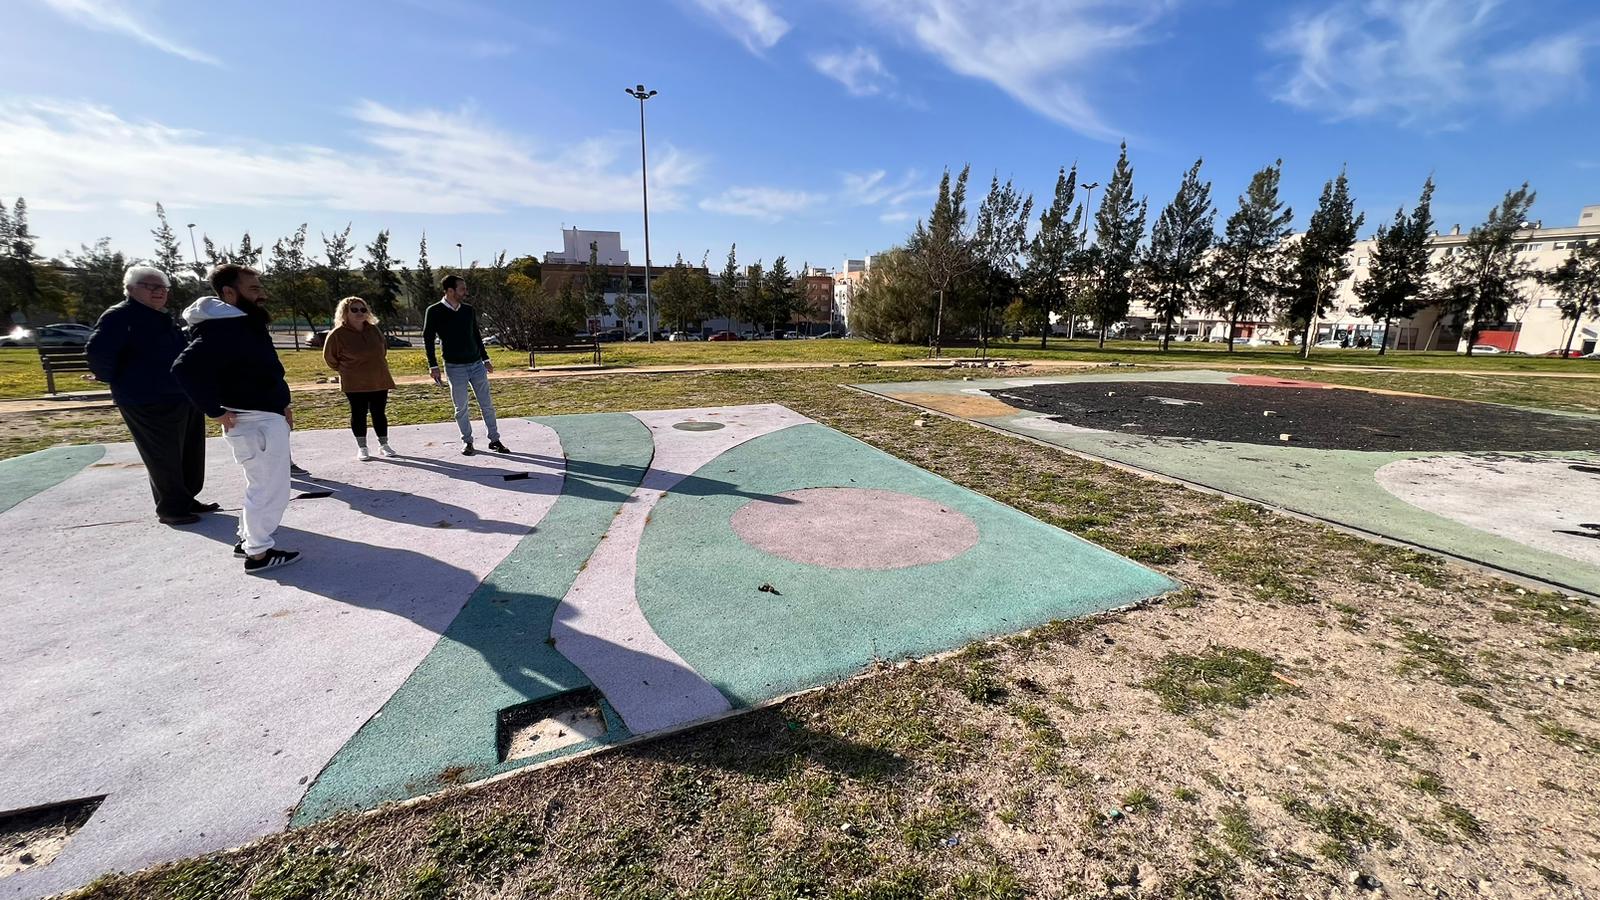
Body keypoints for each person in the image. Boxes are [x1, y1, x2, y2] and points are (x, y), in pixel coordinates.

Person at [172, 264, 300, 573]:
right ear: (229, 292)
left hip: (262, 415)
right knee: (270, 487)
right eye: (253, 289)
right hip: (253, 419)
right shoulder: (225, 328)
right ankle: (258, 553)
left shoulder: (239, 323)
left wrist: (282, 404)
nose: (261, 295)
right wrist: (214, 410)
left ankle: (248, 540)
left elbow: (262, 371)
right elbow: (183, 368)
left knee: (261, 483)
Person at [85, 265, 217, 526]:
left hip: (181, 395)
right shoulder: (120, 316)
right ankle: (171, 508)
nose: (159, 292)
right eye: (151, 286)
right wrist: (123, 381)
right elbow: (98, 354)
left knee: (188, 452)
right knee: (163, 456)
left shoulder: (160, 317)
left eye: (163, 287)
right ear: (131, 289)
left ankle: (186, 498)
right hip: (147, 399)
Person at [423, 274, 508, 456]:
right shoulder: (434, 311)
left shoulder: (468, 310)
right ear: (450, 290)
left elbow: (476, 335)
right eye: (462, 289)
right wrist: (433, 365)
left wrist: (485, 359)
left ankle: (494, 439)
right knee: (461, 407)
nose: (465, 292)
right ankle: (467, 441)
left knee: (487, 404)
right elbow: (428, 340)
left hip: (476, 364)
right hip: (455, 367)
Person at [322, 296, 397, 460]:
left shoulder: (373, 329)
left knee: (379, 412)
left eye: (363, 310)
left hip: (379, 379)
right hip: (354, 382)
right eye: (354, 310)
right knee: (359, 413)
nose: (359, 313)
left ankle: (384, 444)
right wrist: (347, 370)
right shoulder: (337, 334)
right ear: (345, 312)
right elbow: (330, 358)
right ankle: (362, 447)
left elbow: (382, 349)